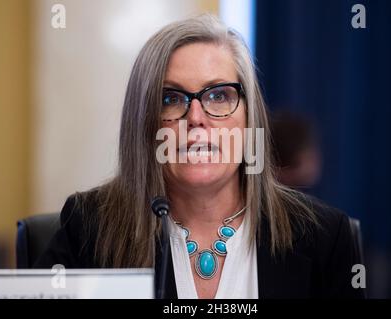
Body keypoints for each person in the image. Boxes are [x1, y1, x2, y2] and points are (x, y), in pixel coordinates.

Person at [34, 14, 364, 299]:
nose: (195, 118)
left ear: (251, 119)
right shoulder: (87, 228)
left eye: (219, 95)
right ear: (144, 124)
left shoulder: (325, 237)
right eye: (171, 98)